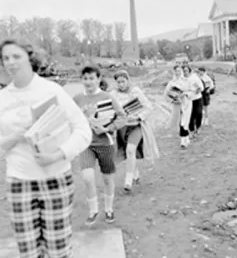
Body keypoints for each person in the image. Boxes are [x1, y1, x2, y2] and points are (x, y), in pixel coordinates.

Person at [0, 39, 92, 258]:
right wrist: (16, 134)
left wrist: (57, 156)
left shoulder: (52, 90)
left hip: (56, 178)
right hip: (19, 181)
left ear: (30, 58)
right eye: (6, 58)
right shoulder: (2, 98)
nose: (11, 62)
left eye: (16, 56)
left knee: (57, 250)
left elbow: (83, 131)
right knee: (29, 252)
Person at [73, 66, 127, 225]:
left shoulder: (108, 97)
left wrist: (108, 128)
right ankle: (93, 210)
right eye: (85, 78)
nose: (88, 82)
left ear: (98, 79)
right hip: (86, 144)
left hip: (106, 143)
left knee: (108, 178)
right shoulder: (76, 99)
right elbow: (70, 119)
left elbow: (122, 117)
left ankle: (109, 209)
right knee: (87, 177)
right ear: (81, 80)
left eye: (91, 78)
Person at [111, 70, 159, 194]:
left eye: (123, 81)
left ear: (128, 80)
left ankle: (128, 180)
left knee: (130, 150)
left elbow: (149, 107)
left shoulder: (136, 91)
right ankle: (135, 172)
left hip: (135, 126)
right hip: (122, 128)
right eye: (118, 82)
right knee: (127, 153)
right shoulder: (113, 94)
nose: (121, 84)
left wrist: (138, 117)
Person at [164, 65, 193, 148]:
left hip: (186, 103)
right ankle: (184, 138)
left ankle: (184, 140)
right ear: (174, 72)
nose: (178, 73)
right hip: (177, 105)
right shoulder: (171, 82)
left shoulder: (186, 81)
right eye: (176, 71)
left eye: (179, 71)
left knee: (184, 122)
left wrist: (185, 94)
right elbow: (166, 94)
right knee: (180, 122)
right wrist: (173, 99)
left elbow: (191, 92)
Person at [182, 65, 204, 137]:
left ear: (190, 71)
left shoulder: (194, 78)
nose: (185, 72)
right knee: (190, 116)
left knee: (198, 113)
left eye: (186, 71)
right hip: (188, 100)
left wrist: (195, 92)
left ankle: (198, 128)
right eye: (184, 71)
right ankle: (191, 130)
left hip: (197, 99)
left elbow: (201, 87)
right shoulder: (182, 80)